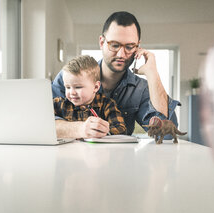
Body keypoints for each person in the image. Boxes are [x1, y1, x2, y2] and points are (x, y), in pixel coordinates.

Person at [52, 11, 180, 138]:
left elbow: (167, 135)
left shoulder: (140, 90)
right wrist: (81, 129)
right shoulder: (70, 78)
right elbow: (41, 122)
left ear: (137, 47)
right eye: (114, 45)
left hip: (121, 157)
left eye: (129, 47)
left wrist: (152, 73)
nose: (121, 54)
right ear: (102, 42)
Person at [53, 55, 127, 135]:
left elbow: (121, 129)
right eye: (68, 87)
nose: (72, 92)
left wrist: (102, 131)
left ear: (96, 87)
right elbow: (41, 122)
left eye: (78, 87)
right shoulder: (58, 103)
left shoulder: (107, 104)